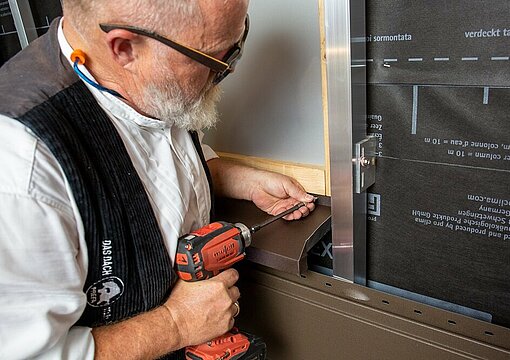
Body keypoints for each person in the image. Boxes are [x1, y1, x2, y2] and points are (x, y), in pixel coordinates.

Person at [0, 0, 315, 358]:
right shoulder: (21, 168)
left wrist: (236, 178)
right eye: (215, 58)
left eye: (237, 45)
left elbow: (152, 162)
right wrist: (176, 324)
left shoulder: (145, 81)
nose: (228, 68)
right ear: (125, 48)